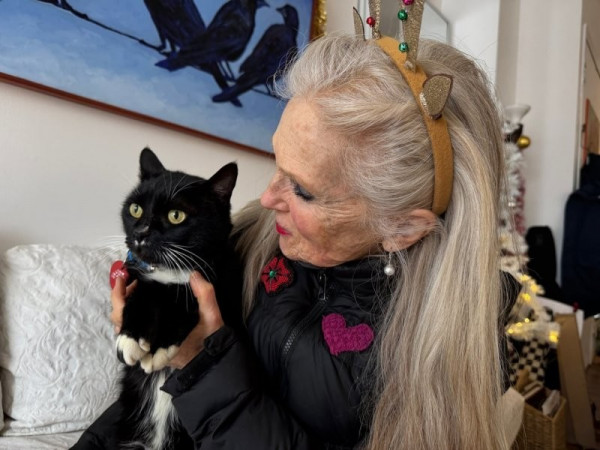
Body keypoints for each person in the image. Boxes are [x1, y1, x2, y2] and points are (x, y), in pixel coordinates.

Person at [75, 27, 515, 450]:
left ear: (401, 228)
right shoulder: (252, 241)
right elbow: (141, 407)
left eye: (302, 190)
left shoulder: (444, 348)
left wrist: (198, 363)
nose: (267, 198)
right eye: (277, 163)